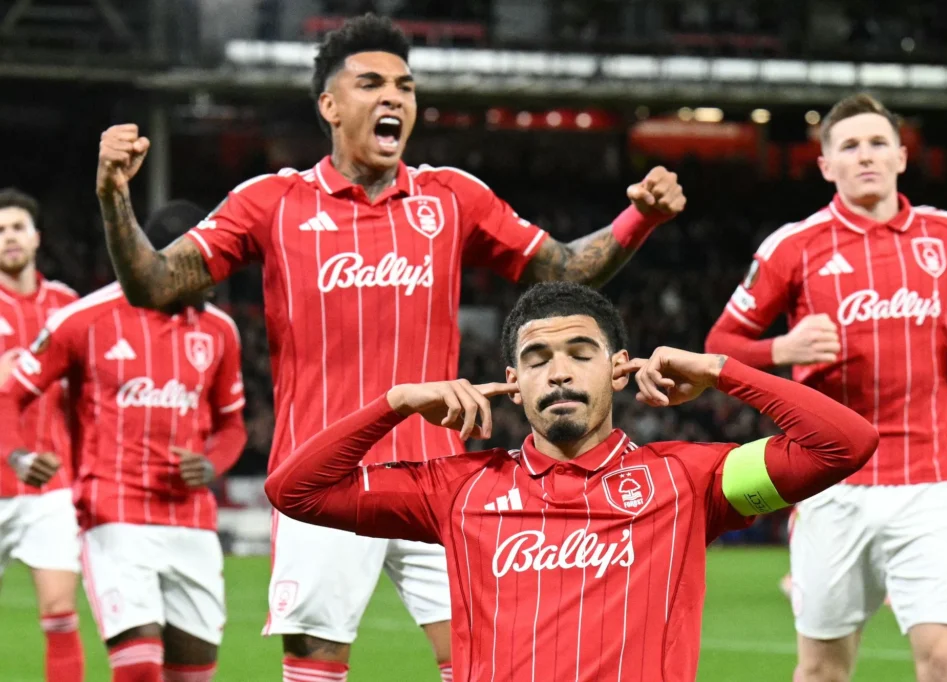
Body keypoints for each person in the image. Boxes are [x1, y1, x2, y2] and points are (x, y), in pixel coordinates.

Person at [93, 14, 686, 682]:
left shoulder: (452, 197)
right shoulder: (272, 202)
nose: (394, 98)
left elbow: (566, 270)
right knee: (316, 664)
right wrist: (114, 196)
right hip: (322, 476)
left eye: (405, 86)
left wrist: (641, 216)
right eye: (371, 83)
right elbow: (152, 283)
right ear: (330, 105)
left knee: (486, 658)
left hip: (437, 476)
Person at [262, 281, 878, 682]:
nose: (558, 373)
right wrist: (394, 403)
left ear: (618, 369)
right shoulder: (458, 489)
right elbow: (296, 491)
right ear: (512, 382)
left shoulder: (690, 480)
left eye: (581, 354)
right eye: (537, 361)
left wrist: (720, 369)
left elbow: (844, 444)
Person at [704, 93, 947, 682]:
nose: (866, 155)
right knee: (822, 669)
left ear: (901, 157)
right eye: (850, 146)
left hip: (932, 476)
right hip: (831, 482)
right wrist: (782, 349)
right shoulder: (793, 246)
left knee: (945, 658)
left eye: (878, 143)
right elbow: (720, 344)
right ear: (826, 165)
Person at [0, 201, 248, 682]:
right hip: (112, 510)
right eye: (204, 262)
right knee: (139, 667)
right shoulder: (86, 318)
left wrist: (212, 464)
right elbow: (10, 395)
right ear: (166, 258)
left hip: (189, 520)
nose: (215, 275)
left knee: (191, 673)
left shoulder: (220, 330)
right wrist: (17, 454)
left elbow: (232, 425)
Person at [0, 188, 84, 681]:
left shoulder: (67, 306)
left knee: (60, 613)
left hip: (51, 483)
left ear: (36, 237)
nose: (8, 237)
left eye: (17, 227)